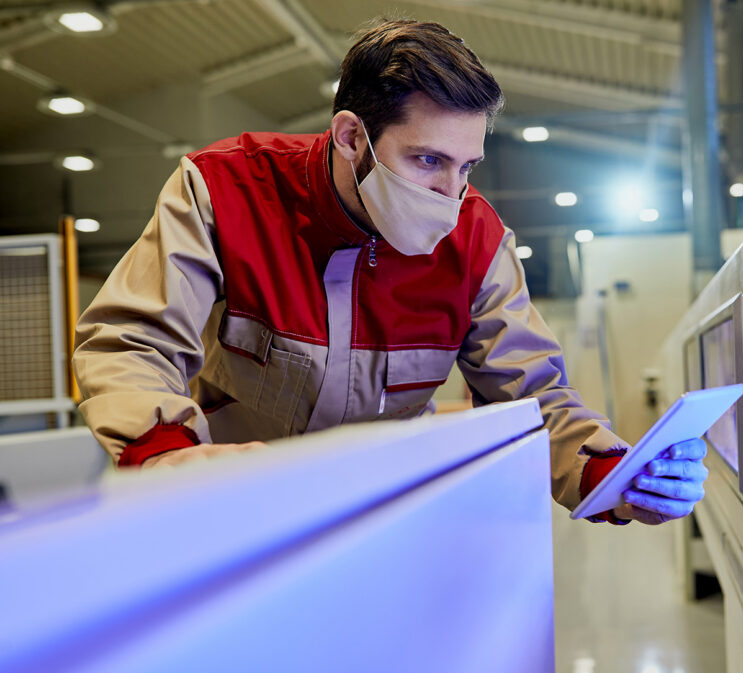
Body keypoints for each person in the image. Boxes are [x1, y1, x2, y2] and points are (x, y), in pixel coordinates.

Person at [73, 19, 709, 525]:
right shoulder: (224, 191)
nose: (450, 193)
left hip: (385, 525)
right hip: (235, 516)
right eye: (428, 159)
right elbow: (131, 341)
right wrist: (160, 453)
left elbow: (533, 400)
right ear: (352, 137)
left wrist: (614, 477)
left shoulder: (478, 242)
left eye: (466, 167)